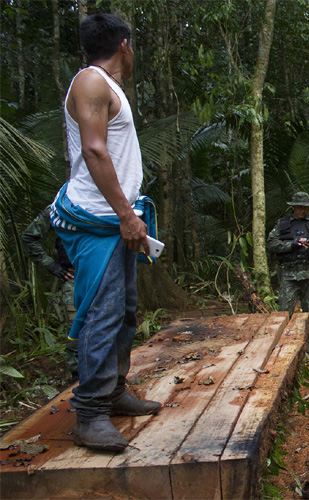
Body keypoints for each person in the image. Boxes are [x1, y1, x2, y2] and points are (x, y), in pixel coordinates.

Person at [52, 13, 161, 452]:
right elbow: (95, 151)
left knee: (125, 309)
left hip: (116, 219)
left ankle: (114, 393)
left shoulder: (106, 87)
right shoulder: (91, 82)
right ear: (125, 44)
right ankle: (91, 413)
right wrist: (125, 214)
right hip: (98, 219)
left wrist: (129, 214)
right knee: (102, 311)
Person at [267, 192, 309, 347]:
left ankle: (307, 344)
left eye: (306, 207)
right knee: (284, 311)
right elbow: (271, 244)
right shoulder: (282, 224)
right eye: (300, 207)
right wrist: (292, 244)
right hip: (289, 275)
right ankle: (282, 344)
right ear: (294, 207)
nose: (303, 210)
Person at [21, 205, 78, 379]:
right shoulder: (61, 206)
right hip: (74, 277)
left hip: (104, 275)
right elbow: (29, 237)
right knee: (76, 328)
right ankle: (77, 378)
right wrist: (51, 265)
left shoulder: (106, 202)